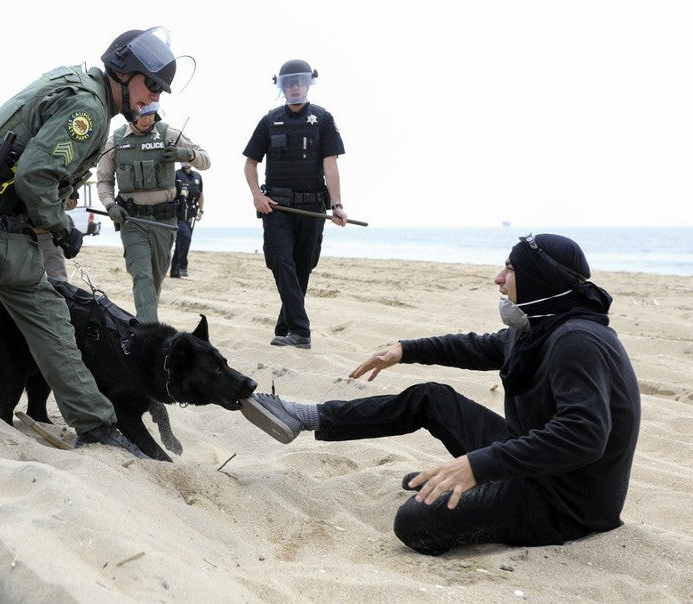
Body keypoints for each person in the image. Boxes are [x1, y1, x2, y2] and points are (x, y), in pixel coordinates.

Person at [242, 233, 641, 555]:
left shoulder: (578, 341)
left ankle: (474, 486)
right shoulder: (541, 328)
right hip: (534, 464)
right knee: (430, 397)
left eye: (510, 268)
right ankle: (307, 415)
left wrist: (478, 467)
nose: (499, 279)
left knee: (413, 523)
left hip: (566, 502)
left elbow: (584, 435)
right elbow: (477, 346)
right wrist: (405, 349)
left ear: (540, 277)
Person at [0, 27, 181, 459]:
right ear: (122, 72)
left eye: (159, 90)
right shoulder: (90, 110)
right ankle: (96, 424)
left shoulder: (72, 81)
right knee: (48, 313)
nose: (153, 97)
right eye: (150, 84)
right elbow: (35, 175)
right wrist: (59, 227)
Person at [243, 59, 348, 350]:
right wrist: (257, 196)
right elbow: (250, 164)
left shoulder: (323, 119)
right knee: (281, 261)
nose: (295, 87)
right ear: (282, 86)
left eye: (300, 81)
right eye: (289, 83)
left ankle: (285, 326)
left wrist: (337, 204)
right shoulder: (269, 120)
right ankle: (301, 332)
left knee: (302, 268)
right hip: (276, 208)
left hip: (312, 208)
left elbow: (330, 165)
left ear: (309, 83)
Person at [96, 101, 210, 322]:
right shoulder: (115, 142)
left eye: (152, 114)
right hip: (132, 221)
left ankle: (145, 322)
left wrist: (184, 154)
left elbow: (205, 160)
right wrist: (111, 205)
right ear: (131, 115)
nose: (148, 119)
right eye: (143, 115)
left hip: (164, 221)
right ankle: (150, 331)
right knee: (142, 276)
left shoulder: (169, 134)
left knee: (156, 278)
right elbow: (104, 181)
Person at [169, 162, 205, 278]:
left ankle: (175, 271)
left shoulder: (197, 176)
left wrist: (201, 211)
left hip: (191, 213)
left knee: (182, 241)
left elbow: (201, 194)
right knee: (185, 238)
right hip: (178, 213)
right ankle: (182, 266)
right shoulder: (176, 175)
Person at [35, 190, 80, 281]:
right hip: (18, 234)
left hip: (47, 235)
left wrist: (65, 201)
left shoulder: (59, 178)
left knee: (59, 281)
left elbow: (73, 202)